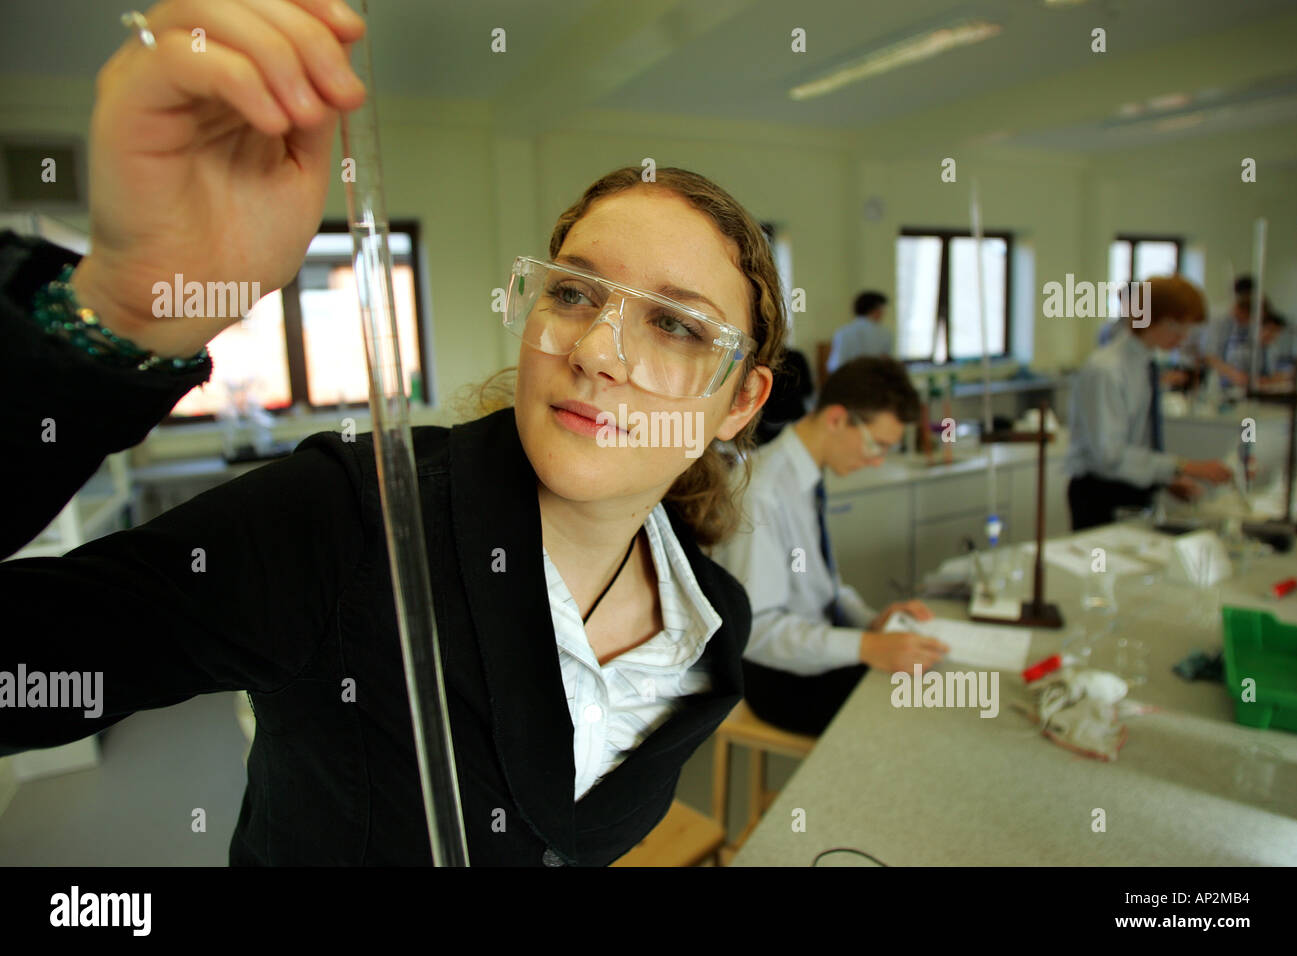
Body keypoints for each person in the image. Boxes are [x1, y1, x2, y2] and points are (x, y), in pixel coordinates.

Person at [0, 0, 785, 867]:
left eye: (676, 325)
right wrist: (120, 311)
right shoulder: (354, 517)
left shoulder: (713, 624)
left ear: (741, 402)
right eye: (573, 293)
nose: (598, 351)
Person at [712, 357, 947, 736]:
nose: (877, 462)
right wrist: (868, 647)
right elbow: (759, 632)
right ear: (837, 418)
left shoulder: (804, 474)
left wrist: (870, 621)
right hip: (777, 678)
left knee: (928, 679)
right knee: (915, 714)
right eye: (877, 445)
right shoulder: (763, 494)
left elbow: (822, 585)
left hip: (812, 644)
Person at [1065, 275, 1232, 531]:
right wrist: (1183, 466)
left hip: (1134, 489)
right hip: (1101, 494)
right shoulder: (1106, 370)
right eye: (1176, 325)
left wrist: (1165, 479)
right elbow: (1108, 455)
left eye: (1188, 328)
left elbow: (1138, 440)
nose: (1183, 336)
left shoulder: (1145, 365)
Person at [826, 291, 892, 373]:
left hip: (849, 379)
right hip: (875, 380)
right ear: (876, 309)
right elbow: (886, 362)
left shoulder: (843, 332)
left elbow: (835, 365)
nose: (884, 313)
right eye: (883, 309)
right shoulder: (885, 333)